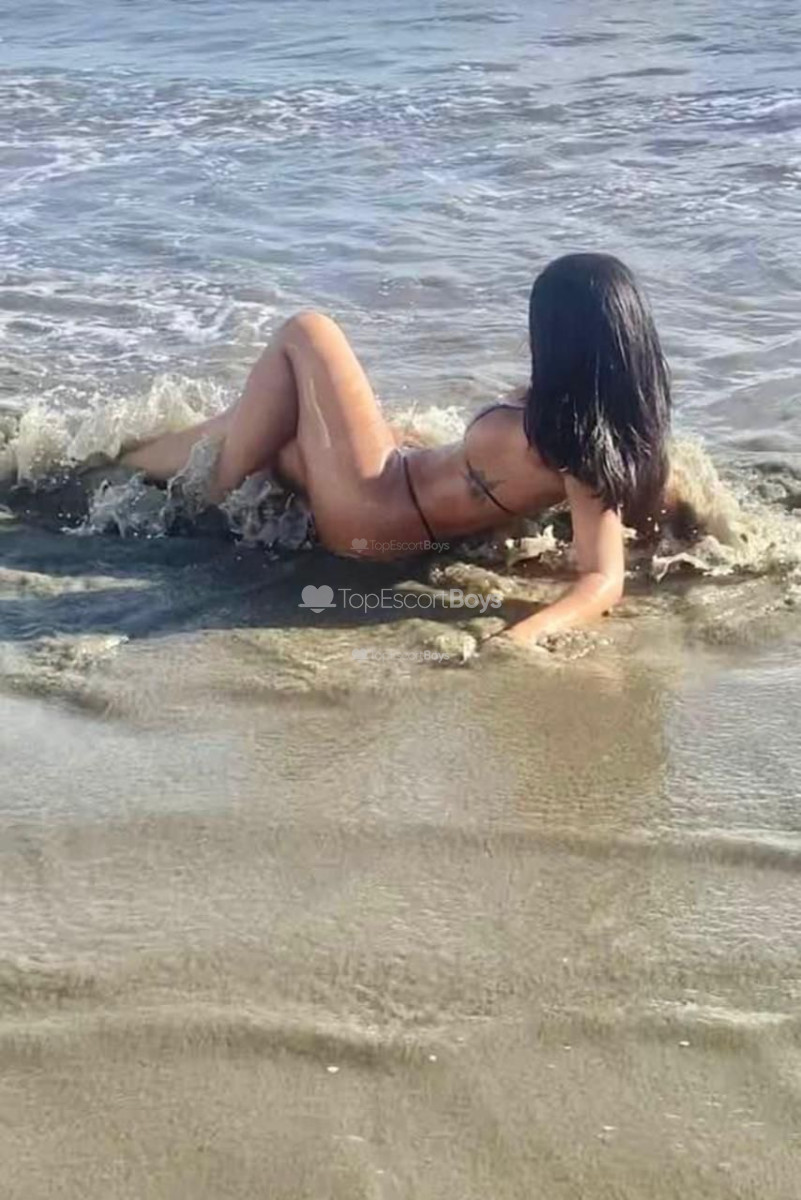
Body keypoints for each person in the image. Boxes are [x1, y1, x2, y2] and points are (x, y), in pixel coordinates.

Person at [121, 253, 672, 649]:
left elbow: (603, 579)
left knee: (308, 332)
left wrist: (523, 636)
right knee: (271, 423)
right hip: (390, 493)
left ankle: (211, 493)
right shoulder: (602, 431)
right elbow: (649, 500)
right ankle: (123, 466)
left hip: (376, 512)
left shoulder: (577, 449)